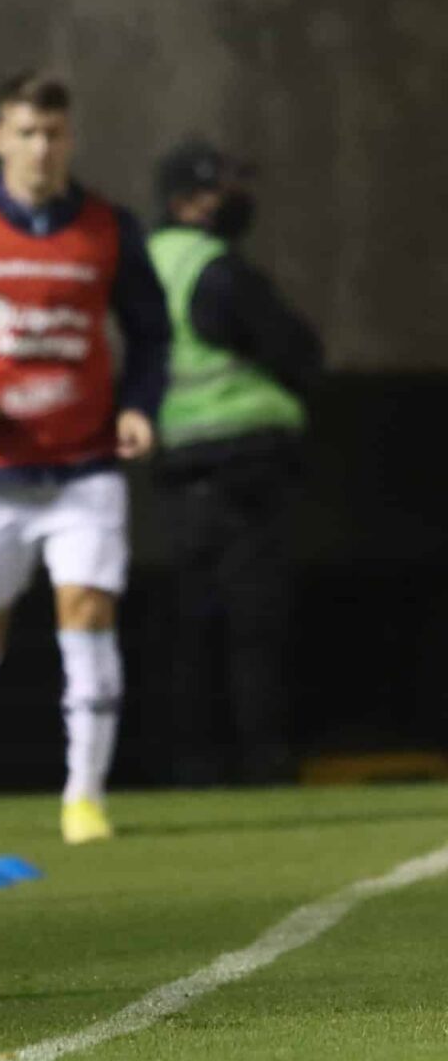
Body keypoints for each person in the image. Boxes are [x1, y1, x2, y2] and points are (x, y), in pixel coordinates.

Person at [0, 72, 170, 844]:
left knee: (90, 614)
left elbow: (150, 330)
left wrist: (140, 404)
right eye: (27, 133)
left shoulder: (108, 227)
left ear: (70, 139)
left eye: (54, 134)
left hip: (85, 464)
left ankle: (85, 796)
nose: (41, 148)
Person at [148, 142, 321, 785]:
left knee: (192, 626)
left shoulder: (146, 264)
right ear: (186, 202)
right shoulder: (214, 270)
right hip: (245, 468)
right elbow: (294, 349)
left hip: (178, 468)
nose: (237, 200)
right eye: (221, 189)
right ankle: (265, 760)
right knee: (256, 624)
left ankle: (194, 766)